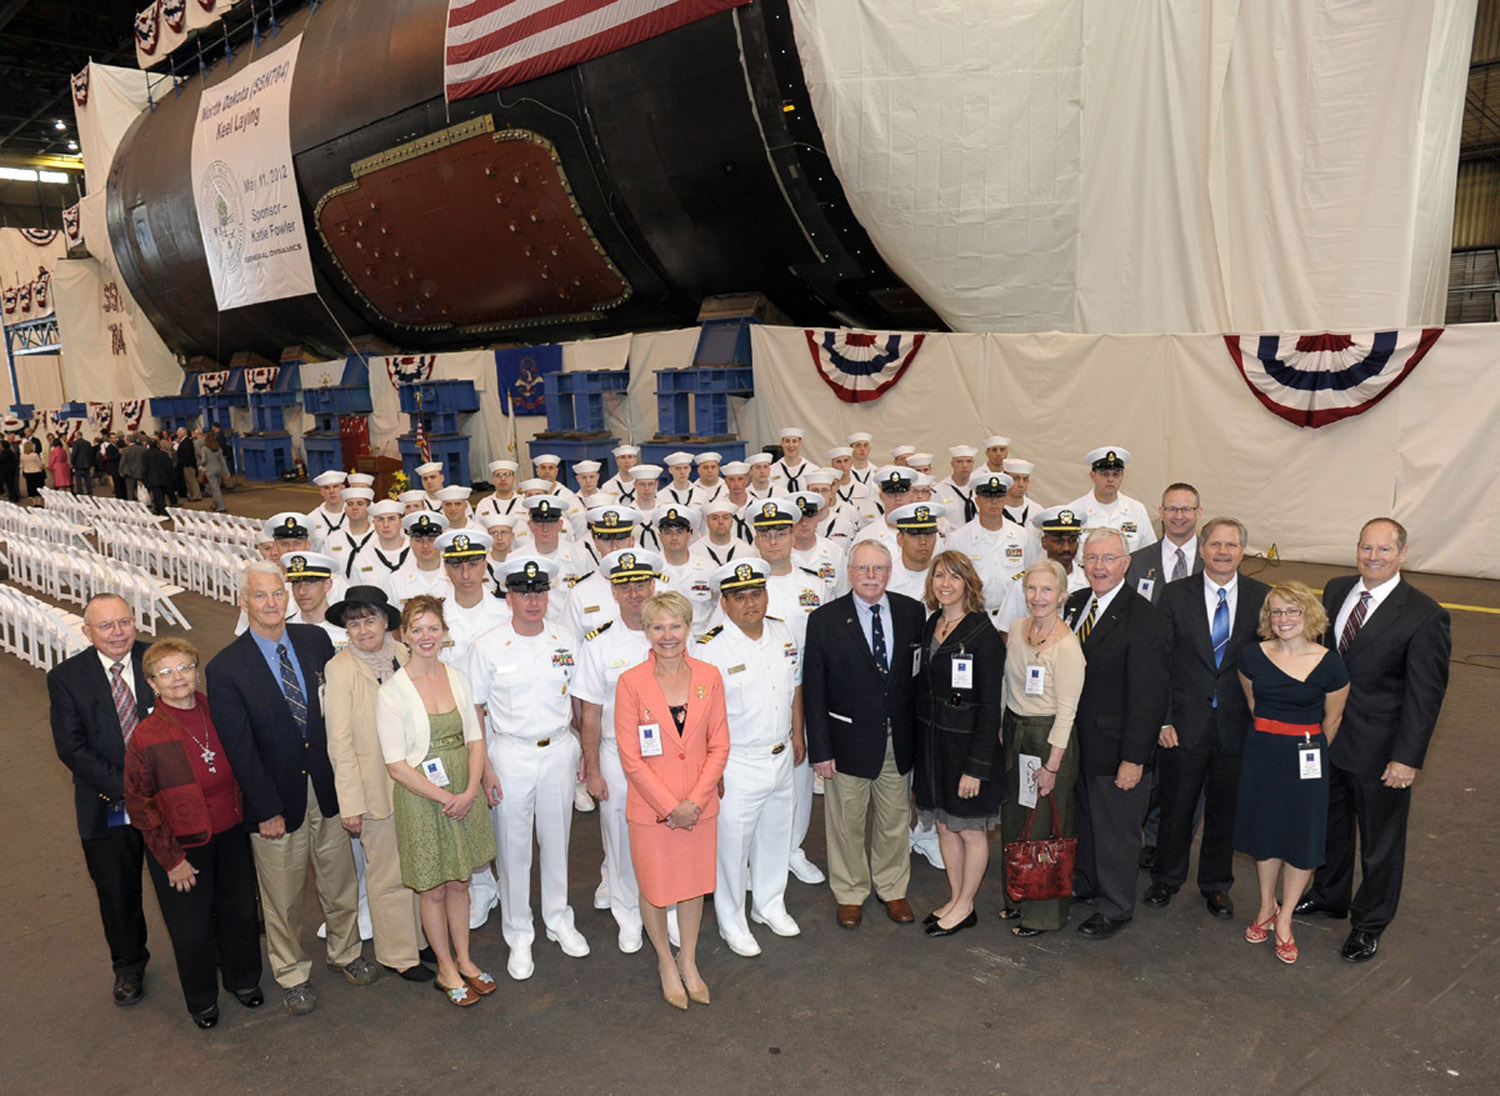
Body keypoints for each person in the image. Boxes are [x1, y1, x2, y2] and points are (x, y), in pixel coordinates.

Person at [208, 561, 376, 1015]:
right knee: (282, 898)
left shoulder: (314, 640)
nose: (271, 603)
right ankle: (292, 973)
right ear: (244, 602)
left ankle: (346, 952)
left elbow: (335, 713)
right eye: (260, 595)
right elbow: (239, 748)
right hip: (274, 801)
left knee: (340, 882)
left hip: (327, 787)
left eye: (277, 593)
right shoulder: (225, 668)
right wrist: (264, 808)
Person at [1295, 518, 1451, 962]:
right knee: (1330, 826)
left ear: (1403, 554)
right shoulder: (1336, 589)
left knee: (1381, 843)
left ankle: (1369, 922)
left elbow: (1425, 695)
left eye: (1384, 550)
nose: (1373, 557)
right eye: (1367, 547)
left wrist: (1407, 758)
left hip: (1380, 750)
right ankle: (1330, 895)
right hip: (1327, 738)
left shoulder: (1424, 614)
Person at [123, 638, 263, 1028]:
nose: (177, 678)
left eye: (184, 667)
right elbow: (140, 804)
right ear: (151, 683)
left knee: (239, 913)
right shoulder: (147, 736)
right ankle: (202, 1001)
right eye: (165, 673)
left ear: (197, 672)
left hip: (232, 832)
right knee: (191, 928)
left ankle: (244, 980)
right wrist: (171, 860)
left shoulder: (221, 711)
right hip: (182, 847)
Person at [467, 555, 591, 981]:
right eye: (523, 592)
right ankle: (519, 932)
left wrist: (583, 751)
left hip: (558, 749)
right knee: (513, 849)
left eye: (539, 592)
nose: (533, 600)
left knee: (557, 840)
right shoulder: (487, 646)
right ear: (508, 597)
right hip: (510, 753)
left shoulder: (565, 639)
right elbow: (475, 710)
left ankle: (558, 918)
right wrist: (484, 769)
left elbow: (577, 700)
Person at [1144, 517, 1268, 922]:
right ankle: (1166, 877)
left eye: (1231, 545)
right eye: (1215, 544)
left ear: (1243, 552)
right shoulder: (1175, 595)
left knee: (1225, 809)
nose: (1222, 552)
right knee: (1175, 806)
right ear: (1202, 550)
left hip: (1238, 726)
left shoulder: (1262, 598)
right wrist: (1162, 720)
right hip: (1182, 724)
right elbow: (1158, 662)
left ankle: (1216, 885)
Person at [377, 596, 498, 1006]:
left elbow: (475, 739)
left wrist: (470, 790)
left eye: (433, 628)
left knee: (460, 882)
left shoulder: (458, 677)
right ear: (404, 635)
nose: (426, 636)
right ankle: (445, 968)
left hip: (464, 789)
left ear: (445, 633)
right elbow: (396, 765)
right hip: (422, 798)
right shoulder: (392, 692)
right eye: (417, 629)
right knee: (432, 887)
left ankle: (465, 959)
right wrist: (448, 797)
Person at [613, 592, 731, 1009]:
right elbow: (631, 758)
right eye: (658, 627)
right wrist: (670, 807)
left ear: (688, 628)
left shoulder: (709, 676)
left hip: (699, 809)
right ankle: (665, 961)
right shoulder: (631, 683)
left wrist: (693, 802)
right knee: (656, 887)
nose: (668, 635)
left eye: (675, 626)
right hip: (652, 812)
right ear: (646, 632)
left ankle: (689, 960)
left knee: (693, 886)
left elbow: (719, 745)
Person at [803, 539, 926, 929]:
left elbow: (918, 680)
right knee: (846, 823)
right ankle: (850, 891)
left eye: (878, 568)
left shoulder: (912, 612)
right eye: (862, 568)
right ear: (850, 572)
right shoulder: (824, 620)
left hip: (897, 740)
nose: (871, 576)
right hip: (846, 742)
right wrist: (820, 750)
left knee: (895, 820)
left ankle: (892, 887)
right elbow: (814, 690)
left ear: (889, 572)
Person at [47, 593, 156, 1006]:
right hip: (109, 802)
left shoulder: (159, 659)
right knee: (117, 890)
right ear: (87, 631)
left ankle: (204, 951)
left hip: (168, 797)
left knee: (184, 879)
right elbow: (71, 748)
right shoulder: (66, 678)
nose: (117, 632)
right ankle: (128, 966)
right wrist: (130, 790)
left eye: (124, 622)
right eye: (106, 626)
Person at [1235, 582, 1350, 964]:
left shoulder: (1330, 664)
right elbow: (1254, 704)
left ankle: (1285, 919)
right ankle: (1266, 906)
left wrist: (1308, 752)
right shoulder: (1251, 657)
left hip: (1306, 759)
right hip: (1262, 755)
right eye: (1276, 612)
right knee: (1265, 835)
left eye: (1292, 611)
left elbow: (1332, 719)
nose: (1283, 619)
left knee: (1302, 838)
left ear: (1308, 614)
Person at [1064, 527, 1169, 940]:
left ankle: (1116, 906)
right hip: (1078, 743)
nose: (1099, 566)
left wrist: (1134, 759)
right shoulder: (1074, 604)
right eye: (1092, 558)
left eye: (1109, 558)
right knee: (1086, 823)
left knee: (1117, 833)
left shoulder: (1145, 619)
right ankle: (1087, 883)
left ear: (1126, 564)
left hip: (1118, 748)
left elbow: (1149, 698)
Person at [323, 586, 432, 984]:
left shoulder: (405, 654)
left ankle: (420, 939)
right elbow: (339, 743)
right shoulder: (340, 669)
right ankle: (398, 954)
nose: (363, 629)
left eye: (370, 620)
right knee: (387, 875)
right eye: (354, 624)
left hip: (414, 782)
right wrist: (351, 804)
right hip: (372, 789)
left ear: (387, 622)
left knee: (418, 865)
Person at [696, 558, 804, 957]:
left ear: (766, 595)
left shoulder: (781, 632)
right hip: (737, 762)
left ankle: (769, 904)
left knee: (776, 835)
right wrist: (712, 768)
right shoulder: (709, 647)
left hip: (780, 753)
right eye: (739, 597)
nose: (750, 603)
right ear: (724, 603)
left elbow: (794, 686)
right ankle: (732, 921)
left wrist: (797, 733)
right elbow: (702, 714)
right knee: (732, 848)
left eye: (756, 594)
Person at [573, 549, 663, 953]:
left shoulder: (670, 633)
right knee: (621, 837)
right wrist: (592, 770)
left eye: (641, 583)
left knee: (667, 835)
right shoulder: (599, 644)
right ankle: (627, 914)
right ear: (613, 591)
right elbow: (590, 715)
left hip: (666, 755)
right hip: (617, 753)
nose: (634, 593)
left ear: (653, 585)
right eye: (625, 586)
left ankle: (666, 908)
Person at [913, 551, 1004, 937]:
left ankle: (966, 905)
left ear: (969, 583)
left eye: (954, 577)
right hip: (933, 748)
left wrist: (976, 769)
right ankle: (955, 898)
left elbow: (990, 708)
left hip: (967, 750)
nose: (945, 584)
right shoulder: (932, 623)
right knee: (944, 827)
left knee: (970, 830)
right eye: (939, 576)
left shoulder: (983, 635)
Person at [1000, 560, 1086, 936]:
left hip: (1049, 739)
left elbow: (1067, 713)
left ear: (1062, 595)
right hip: (1015, 732)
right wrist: (1002, 727)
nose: (1038, 597)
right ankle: (1016, 896)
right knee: (1016, 819)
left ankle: (1043, 915)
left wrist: (1052, 766)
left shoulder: (1068, 647)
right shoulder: (1018, 628)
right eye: (1032, 588)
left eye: (1047, 590)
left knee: (1047, 826)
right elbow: (1007, 682)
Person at [1065, 447, 1156, 553]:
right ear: (1093, 475)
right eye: (1105, 474)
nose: (1110, 479)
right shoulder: (1075, 512)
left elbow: (1150, 552)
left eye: (1116, 474)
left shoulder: (1137, 510)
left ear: (1123, 476)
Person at [1125, 483, 1204, 603]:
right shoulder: (1136, 562)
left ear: (1199, 512)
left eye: (1186, 509)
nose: (1179, 516)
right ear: (1161, 512)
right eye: (1172, 509)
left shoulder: (1215, 560)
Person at [143, 437, 175, 515]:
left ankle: (163, 512)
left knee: (157, 497)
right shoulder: (164, 454)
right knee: (162, 496)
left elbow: (144, 468)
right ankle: (158, 510)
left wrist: (144, 479)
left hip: (152, 478)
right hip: (164, 478)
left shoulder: (145, 454)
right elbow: (169, 467)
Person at [200, 432, 230, 512]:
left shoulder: (204, 449)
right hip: (218, 470)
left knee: (215, 489)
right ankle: (215, 504)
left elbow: (204, 460)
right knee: (217, 487)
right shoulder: (218, 448)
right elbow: (222, 460)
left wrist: (201, 465)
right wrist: (226, 471)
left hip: (210, 471)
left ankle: (221, 506)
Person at [117, 434, 145, 503]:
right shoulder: (142, 449)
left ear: (127, 441)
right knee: (141, 489)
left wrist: (120, 471)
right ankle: (142, 503)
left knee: (130, 490)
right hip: (140, 471)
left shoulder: (125, 450)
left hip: (129, 472)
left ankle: (131, 503)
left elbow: (123, 461)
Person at [0, 437, 20, 503]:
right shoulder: (9, 451)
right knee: (11, 484)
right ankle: (13, 497)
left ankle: (13, 497)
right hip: (10, 470)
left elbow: (2, 459)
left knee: (10, 485)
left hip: (7, 470)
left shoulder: (5, 452)